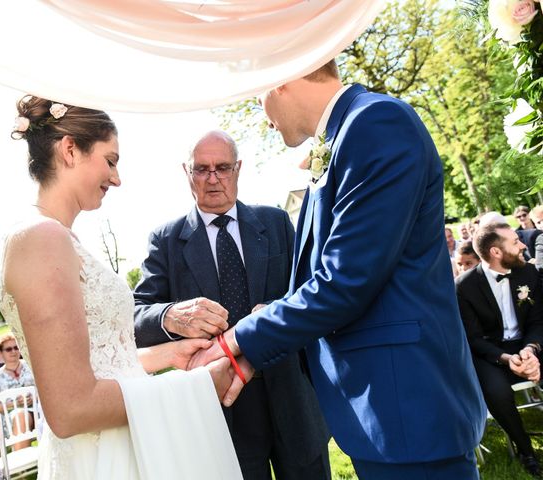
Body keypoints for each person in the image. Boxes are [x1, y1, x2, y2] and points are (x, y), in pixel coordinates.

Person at [189, 60, 486, 479]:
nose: (263, 113)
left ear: (281, 79)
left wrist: (234, 342)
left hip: (408, 408)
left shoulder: (376, 123)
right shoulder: (343, 137)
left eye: (258, 94)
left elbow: (344, 283)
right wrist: (255, 343)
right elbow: (324, 278)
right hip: (380, 414)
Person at [0, 95, 242, 479]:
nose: (116, 178)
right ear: (71, 150)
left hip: (121, 444)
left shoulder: (57, 238)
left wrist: (167, 355)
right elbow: (70, 408)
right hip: (102, 459)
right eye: (110, 160)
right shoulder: (40, 239)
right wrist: (194, 387)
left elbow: (94, 364)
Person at [134, 130, 330, 479]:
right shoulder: (165, 240)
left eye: (222, 167)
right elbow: (136, 316)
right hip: (220, 407)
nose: (213, 179)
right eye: (201, 169)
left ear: (238, 168)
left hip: (291, 395)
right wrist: (171, 315)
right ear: (186, 172)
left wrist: (273, 309)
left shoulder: (274, 221)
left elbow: (306, 288)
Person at [456, 222, 543, 477]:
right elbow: (472, 338)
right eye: (515, 242)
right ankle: (526, 450)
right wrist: (505, 358)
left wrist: (530, 350)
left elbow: (539, 321)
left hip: (528, 343)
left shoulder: (528, 274)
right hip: (491, 352)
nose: (523, 245)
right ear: (496, 252)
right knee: (496, 392)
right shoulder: (464, 286)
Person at [0, 333, 36, 451]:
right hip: (12, 419)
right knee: (20, 414)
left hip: (39, 410)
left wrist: (35, 398)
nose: (13, 351)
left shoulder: (32, 366)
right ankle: (23, 461)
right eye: (8, 349)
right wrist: (15, 404)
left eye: (16, 347)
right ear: (0, 353)